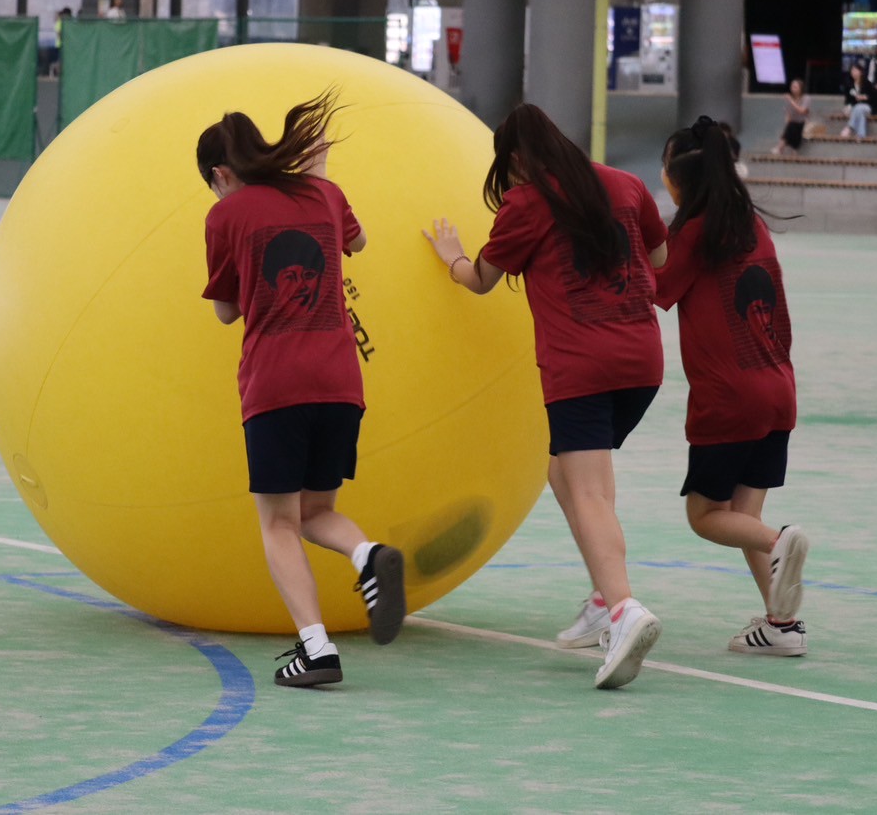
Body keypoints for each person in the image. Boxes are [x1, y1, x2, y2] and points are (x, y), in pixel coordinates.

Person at [423, 103, 667, 690]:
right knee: (568, 475)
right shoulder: (626, 184)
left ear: (514, 159)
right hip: (642, 360)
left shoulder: (527, 203)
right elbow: (659, 258)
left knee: (587, 490)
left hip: (581, 365)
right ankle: (602, 598)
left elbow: (480, 280)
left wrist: (452, 256)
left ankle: (624, 609)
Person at [197, 91, 406, 689]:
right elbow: (357, 244)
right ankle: (367, 555)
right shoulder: (324, 194)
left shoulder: (225, 217)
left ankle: (316, 649)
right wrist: (320, 178)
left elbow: (226, 311)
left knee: (279, 523)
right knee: (318, 511)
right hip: (340, 382)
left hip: (275, 385)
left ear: (221, 174)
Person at [651, 116, 809, 656]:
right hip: (778, 392)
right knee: (743, 516)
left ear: (678, 178)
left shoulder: (694, 234)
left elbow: (655, 288)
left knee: (706, 517)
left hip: (729, 400)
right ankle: (782, 626)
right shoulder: (750, 225)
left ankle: (780, 543)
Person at [771, 79, 810, 156]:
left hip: (802, 122)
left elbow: (802, 111)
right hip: (793, 123)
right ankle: (785, 148)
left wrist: (791, 100)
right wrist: (787, 123)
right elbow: (788, 113)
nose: (793, 88)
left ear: (801, 88)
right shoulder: (790, 99)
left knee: (792, 127)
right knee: (791, 127)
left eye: (795, 87)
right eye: (792, 86)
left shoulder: (806, 98)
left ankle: (780, 148)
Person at [840, 63, 872, 139]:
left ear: (861, 72)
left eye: (855, 70)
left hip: (866, 106)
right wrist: (848, 107)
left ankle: (849, 127)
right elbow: (848, 100)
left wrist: (864, 97)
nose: (853, 73)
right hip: (855, 107)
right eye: (852, 71)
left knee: (859, 108)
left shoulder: (867, 83)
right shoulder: (849, 85)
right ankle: (861, 135)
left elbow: (872, 97)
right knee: (860, 113)